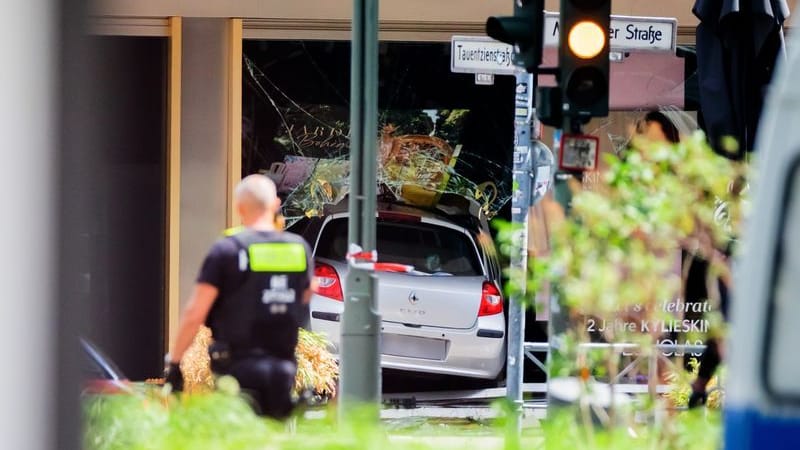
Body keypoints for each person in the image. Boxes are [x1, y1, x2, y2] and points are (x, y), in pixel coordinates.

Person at [164, 174, 313, 419]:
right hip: (283, 368)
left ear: (239, 208)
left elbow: (195, 312)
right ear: (275, 204)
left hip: (236, 369)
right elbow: (307, 293)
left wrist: (176, 361)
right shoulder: (298, 248)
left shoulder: (228, 249)